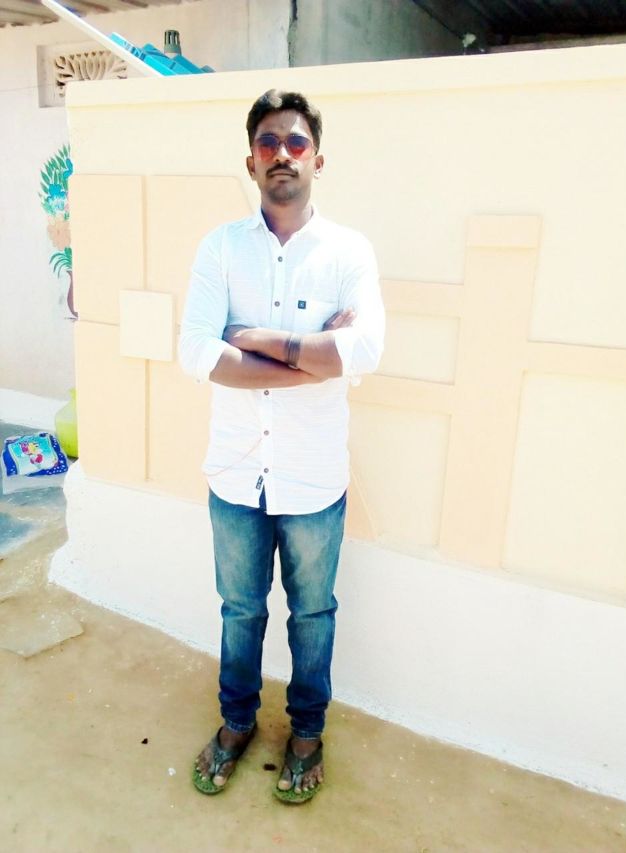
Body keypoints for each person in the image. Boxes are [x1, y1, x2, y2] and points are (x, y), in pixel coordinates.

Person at [179, 89, 385, 804]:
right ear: (251, 161)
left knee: (312, 614)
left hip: (313, 479)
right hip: (236, 474)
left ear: (317, 160)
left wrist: (256, 339)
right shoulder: (221, 247)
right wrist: (313, 356)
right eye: (268, 143)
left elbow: (364, 351)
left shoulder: (348, 252)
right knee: (240, 611)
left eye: (296, 143)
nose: (282, 155)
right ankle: (236, 723)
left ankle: (306, 735)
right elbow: (197, 352)